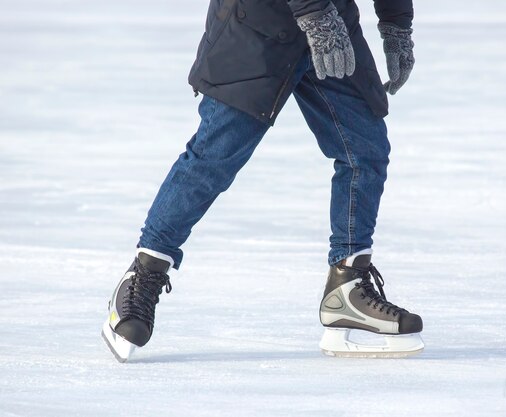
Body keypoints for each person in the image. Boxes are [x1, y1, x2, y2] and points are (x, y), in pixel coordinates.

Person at [101, 0, 423, 362]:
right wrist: (315, 14)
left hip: (333, 23)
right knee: (214, 157)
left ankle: (347, 288)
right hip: (257, 24)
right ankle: (144, 274)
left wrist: (397, 25)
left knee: (364, 150)